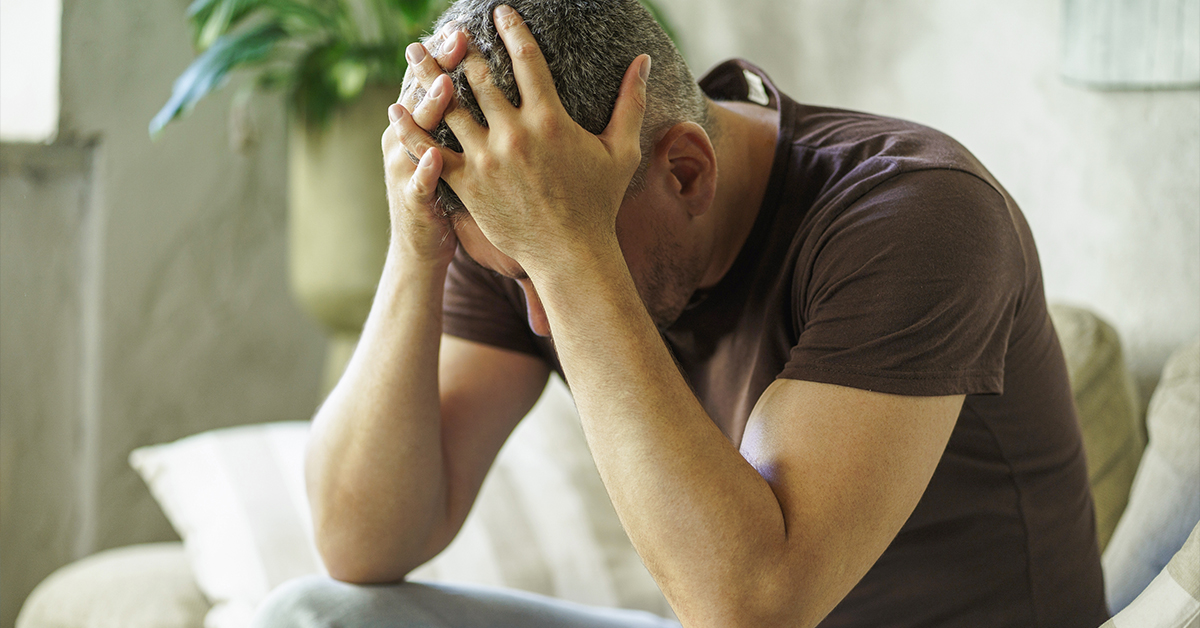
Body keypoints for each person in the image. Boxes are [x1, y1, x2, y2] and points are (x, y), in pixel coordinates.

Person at [254, 1, 1110, 626]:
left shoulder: (916, 214)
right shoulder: (519, 232)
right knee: (317, 614)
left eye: (547, 270)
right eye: (523, 277)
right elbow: (359, 542)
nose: (542, 322)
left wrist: (568, 252)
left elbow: (754, 607)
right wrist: (416, 248)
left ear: (688, 172)